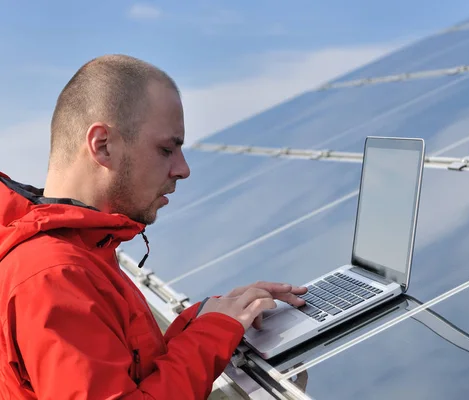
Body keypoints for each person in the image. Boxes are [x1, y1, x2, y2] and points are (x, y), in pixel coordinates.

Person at [0, 54, 307, 399]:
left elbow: (132, 376)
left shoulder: (82, 250)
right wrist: (211, 336)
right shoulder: (53, 276)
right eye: (166, 149)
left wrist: (208, 318)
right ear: (102, 146)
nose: (183, 169)